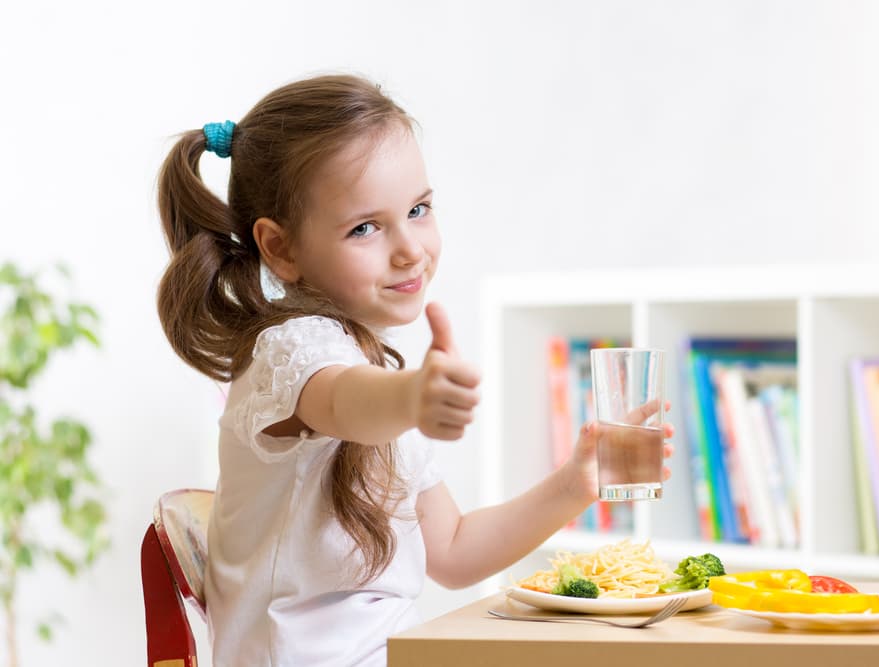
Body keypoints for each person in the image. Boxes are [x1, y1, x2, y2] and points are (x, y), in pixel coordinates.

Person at [154, 73, 674, 666]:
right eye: (365, 227)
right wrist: (414, 396)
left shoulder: (372, 373)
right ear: (281, 248)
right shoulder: (290, 354)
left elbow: (452, 552)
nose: (410, 249)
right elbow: (347, 401)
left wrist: (576, 483)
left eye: (419, 209)